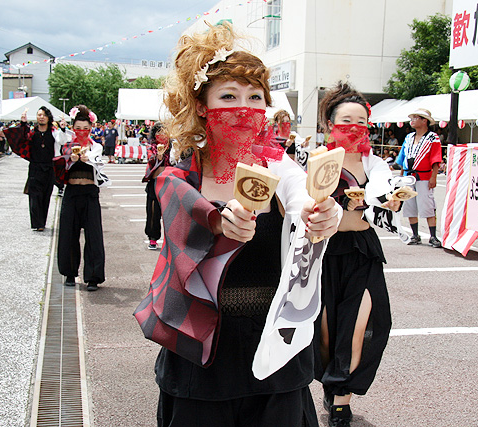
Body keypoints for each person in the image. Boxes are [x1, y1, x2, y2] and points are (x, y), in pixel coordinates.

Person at [133, 22, 341, 427]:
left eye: (254, 97)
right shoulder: (178, 177)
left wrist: (320, 216)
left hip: (274, 349)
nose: (244, 107)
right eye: (228, 96)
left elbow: (302, 199)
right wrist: (220, 222)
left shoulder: (279, 167)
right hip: (203, 354)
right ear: (201, 106)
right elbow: (190, 216)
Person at [314, 82, 398, 427]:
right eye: (346, 121)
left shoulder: (374, 163)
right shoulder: (319, 160)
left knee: (362, 325)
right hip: (324, 252)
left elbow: (382, 190)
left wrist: (388, 200)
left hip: (362, 251)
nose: (354, 128)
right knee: (325, 331)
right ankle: (330, 381)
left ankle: (341, 400)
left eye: (361, 122)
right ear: (330, 124)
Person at [54, 105, 110, 291]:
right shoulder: (67, 145)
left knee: (94, 235)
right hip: (72, 192)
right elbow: (59, 160)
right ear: (73, 128)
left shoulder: (96, 147)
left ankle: (93, 277)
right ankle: (69, 273)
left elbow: (98, 163)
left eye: (86, 128)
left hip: (90, 193)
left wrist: (87, 159)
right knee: (68, 233)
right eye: (78, 128)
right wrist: (70, 159)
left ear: (91, 128)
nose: (82, 131)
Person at [2, 106, 62, 231]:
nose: (41, 117)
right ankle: (37, 223)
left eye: (44, 115)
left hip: (49, 168)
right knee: (35, 196)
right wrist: (23, 122)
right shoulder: (32, 132)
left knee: (46, 196)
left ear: (48, 117)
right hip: (35, 167)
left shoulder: (54, 132)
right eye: (39, 115)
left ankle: (42, 222)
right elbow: (21, 137)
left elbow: (63, 140)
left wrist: (63, 127)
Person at [395, 108, 443, 247]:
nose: (412, 121)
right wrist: (401, 177)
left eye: (416, 118)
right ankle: (415, 235)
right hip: (408, 175)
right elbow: (403, 158)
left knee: (427, 205)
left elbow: (435, 159)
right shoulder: (409, 137)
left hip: (424, 176)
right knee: (409, 206)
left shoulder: (433, 137)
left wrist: (433, 177)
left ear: (424, 121)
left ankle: (433, 236)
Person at [142, 123, 170, 250]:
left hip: (169, 183)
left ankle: (170, 240)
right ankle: (152, 238)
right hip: (154, 183)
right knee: (153, 212)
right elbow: (150, 160)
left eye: (164, 132)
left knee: (170, 213)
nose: (161, 135)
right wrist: (158, 156)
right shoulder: (151, 148)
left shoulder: (172, 148)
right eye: (159, 132)